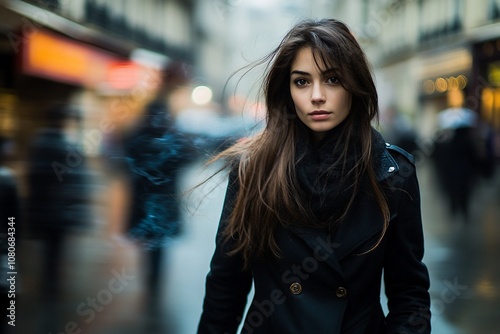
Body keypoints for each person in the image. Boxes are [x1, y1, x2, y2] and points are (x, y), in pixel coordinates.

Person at [197, 19, 431, 334]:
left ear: (355, 85)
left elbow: (409, 296)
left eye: (332, 79)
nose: (317, 96)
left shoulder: (392, 174)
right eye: (302, 82)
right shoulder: (254, 169)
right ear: (287, 90)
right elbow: (226, 288)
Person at [122, 60, 197, 302]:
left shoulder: (145, 125)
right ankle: (153, 286)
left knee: (152, 240)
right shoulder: (168, 125)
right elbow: (184, 154)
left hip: (147, 192)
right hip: (161, 194)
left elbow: (129, 151)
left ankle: (151, 284)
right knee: (158, 242)